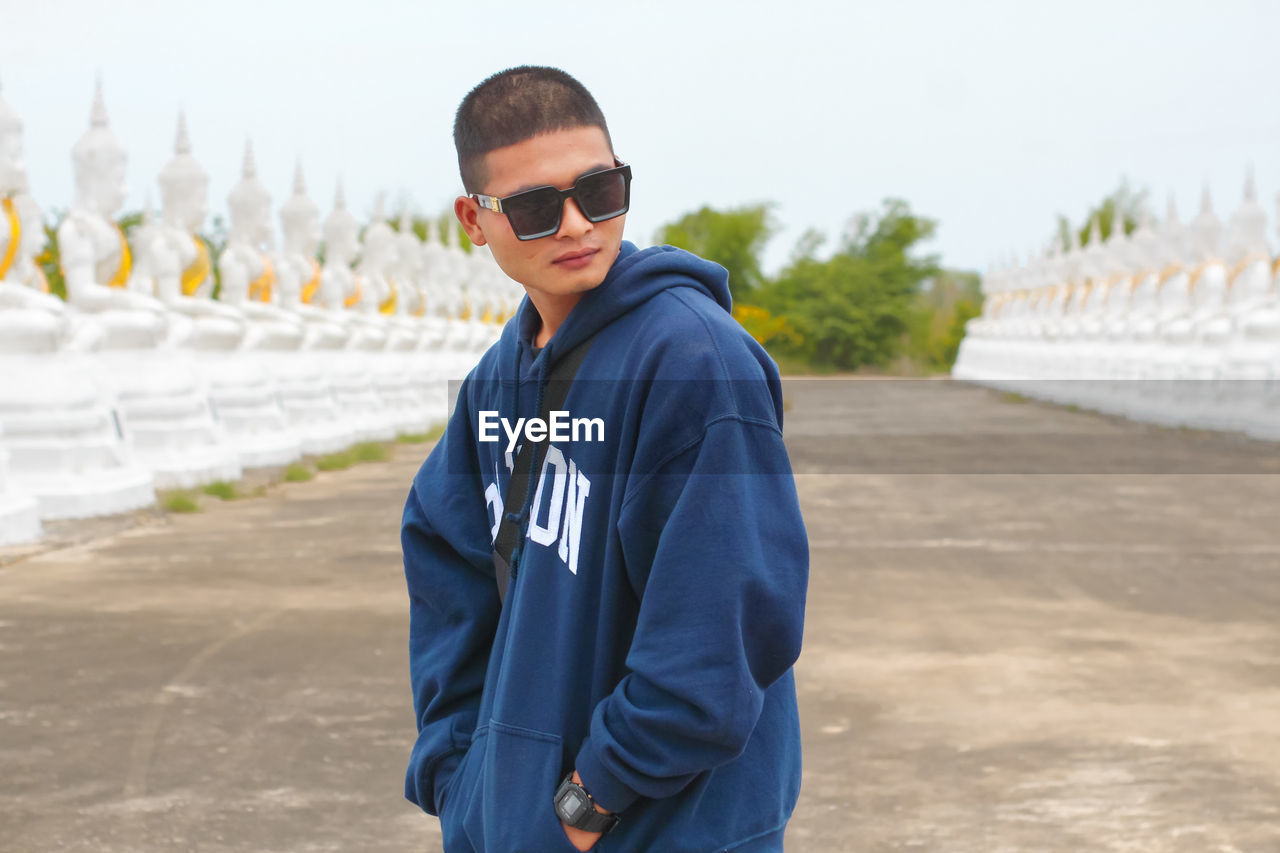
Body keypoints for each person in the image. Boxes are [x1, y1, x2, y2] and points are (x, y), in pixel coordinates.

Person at [402, 66, 809, 853]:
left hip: (669, 827)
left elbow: (722, 628)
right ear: (473, 220)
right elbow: (446, 568)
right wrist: (461, 773)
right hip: (517, 824)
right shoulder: (498, 379)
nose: (576, 224)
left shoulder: (693, 360)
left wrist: (591, 801)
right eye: (531, 207)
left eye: (599, 190)